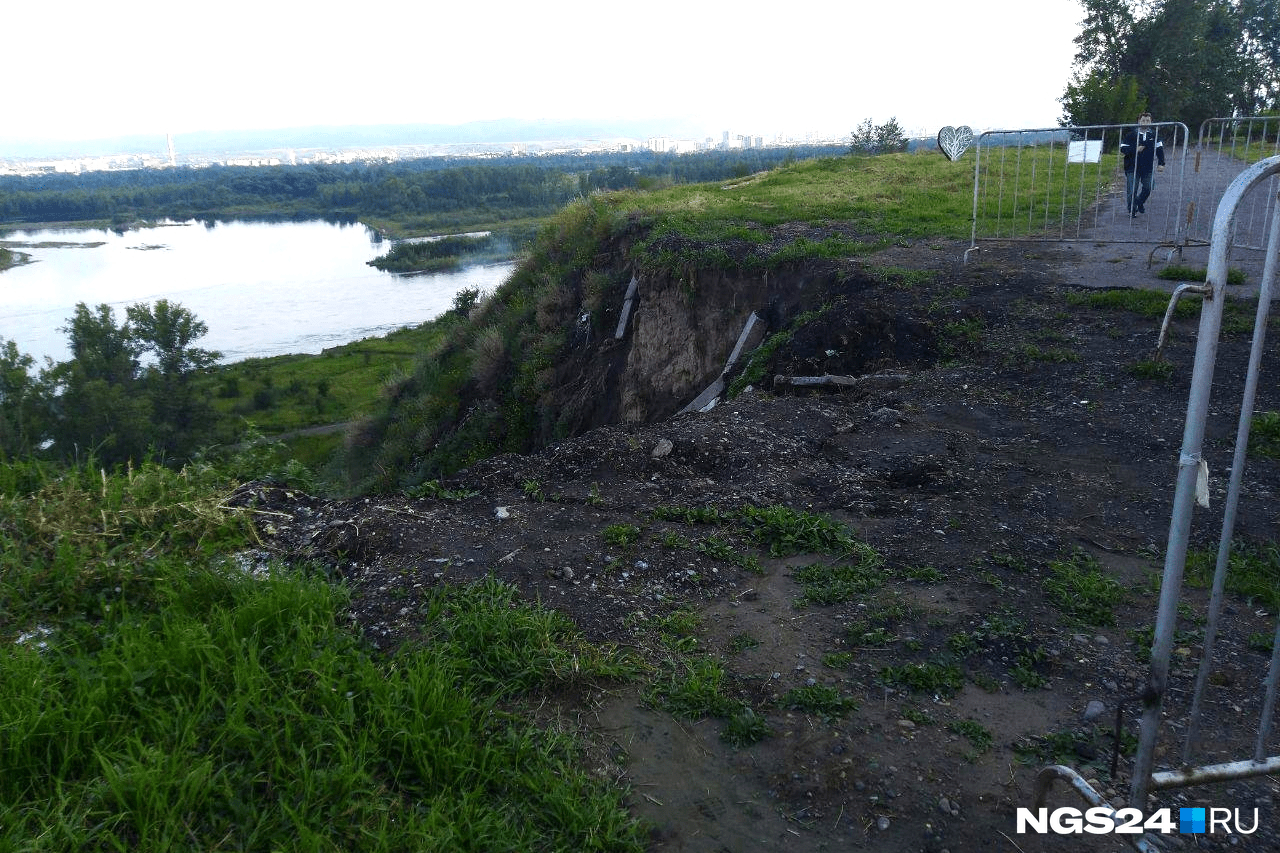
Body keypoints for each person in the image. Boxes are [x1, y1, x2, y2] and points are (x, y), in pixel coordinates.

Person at [1120, 112, 1165, 217]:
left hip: (1147, 167)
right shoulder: (1131, 135)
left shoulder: (1154, 135)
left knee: (1148, 187)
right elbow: (1123, 149)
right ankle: (1132, 210)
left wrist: (1161, 163)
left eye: (1148, 121)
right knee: (1132, 189)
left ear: (1151, 122)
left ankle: (1139, 202)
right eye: (1143, 120)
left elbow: (1160, 150)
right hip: (1132, 167)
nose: (1145, 122)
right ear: (1138, 121)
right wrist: (1134, 149)